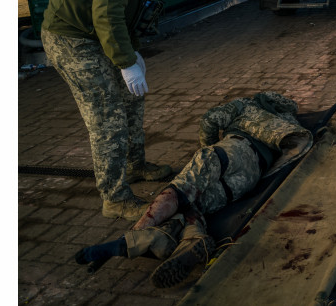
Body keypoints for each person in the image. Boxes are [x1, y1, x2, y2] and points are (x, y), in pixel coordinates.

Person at [74, 92, 314, 288]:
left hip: (236, 152)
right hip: (251, 176)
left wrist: (209, 147)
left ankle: (130, 237)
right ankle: (188, 239)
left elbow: (208, 120)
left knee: (189, 180)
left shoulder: (246, 105)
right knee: (195, 203)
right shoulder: (288, 121)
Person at [41, 0, 175, 221]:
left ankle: (135, 165)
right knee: (107, 116)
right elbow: (107, 14)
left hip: (94, 34)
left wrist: (131, 53)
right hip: (72, 39)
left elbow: (123, 13)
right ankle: (114, 197)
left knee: (133, 99)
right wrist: (126, 62)